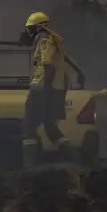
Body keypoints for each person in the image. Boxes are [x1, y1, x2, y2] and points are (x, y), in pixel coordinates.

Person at [21, 11, 72, 167]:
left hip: (44, 89)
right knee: (49, 125)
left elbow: (47, 66)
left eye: (31, 28)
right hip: (52, 89)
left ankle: (29, 165)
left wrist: (38, 86)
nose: (29, 32)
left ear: (39, 27)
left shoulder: (44, 41)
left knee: (29, 126)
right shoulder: (47, 40)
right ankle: (71, 154)